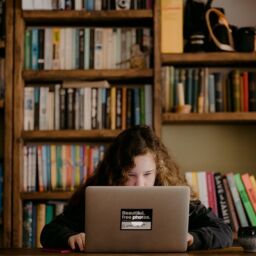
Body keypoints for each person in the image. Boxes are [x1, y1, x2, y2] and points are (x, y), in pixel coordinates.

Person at [40, 125, 233, 251]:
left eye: (147, 174)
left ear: (159, 170)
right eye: (130, 175)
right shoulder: (98, 193)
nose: (140, 184)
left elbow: (223, 230)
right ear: (116, 172)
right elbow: (49, 232)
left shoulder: (171, 194)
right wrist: (70, 237)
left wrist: (193, 238)